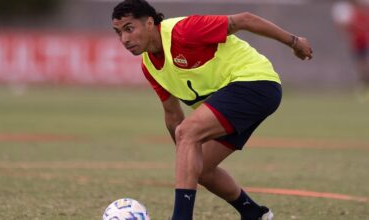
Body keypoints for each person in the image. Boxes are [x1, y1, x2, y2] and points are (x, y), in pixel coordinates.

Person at [111, 0, 313, 219]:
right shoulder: (149, 66)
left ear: (149, 23)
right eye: (118, 32)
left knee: (188, 134)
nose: (124, 39)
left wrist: (294, 41)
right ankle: (253, 213)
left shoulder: (184, 30)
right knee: (202, 169)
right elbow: (172, 115)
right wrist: (186, 156)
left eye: (129, 29)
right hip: (235, 99)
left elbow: (245, 19)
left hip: (255, 83)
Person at [332, 0, 369, 97]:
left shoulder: (365, 16)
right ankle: (363, 86)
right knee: (361, 67)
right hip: (358, 45)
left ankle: (364, 85)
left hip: (365, 44)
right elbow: (347, 30)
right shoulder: (354, 16)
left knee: (364, 66)